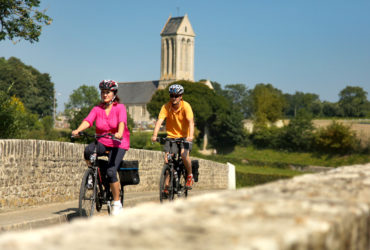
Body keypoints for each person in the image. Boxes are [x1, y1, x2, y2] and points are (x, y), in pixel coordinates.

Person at [72, 80, 130, 216]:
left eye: (107, 92)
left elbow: (122, 122)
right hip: (103, 141)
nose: (104, 95)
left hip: (118, 143)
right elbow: (88, 121)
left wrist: (120, 133)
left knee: (111, 172)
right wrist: (78, 130)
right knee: (88, 150)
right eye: (103, 92)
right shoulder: (97, 109)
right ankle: (92, 174)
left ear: (114, 93)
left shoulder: (120, 108)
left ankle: (116, 202)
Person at [151, 84, 195, 190]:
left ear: (181, 96)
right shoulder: (166, 107)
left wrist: (190, 136)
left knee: (184, 155)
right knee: (168, 161)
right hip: (171, 137)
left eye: (176, 96)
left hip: (185, 136)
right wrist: (154, 135)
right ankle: (166, 186)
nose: (173, 98)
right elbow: (159, 121)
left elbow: (191, 122)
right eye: (171, 95)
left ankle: (189, 176)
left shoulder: (186, 106)